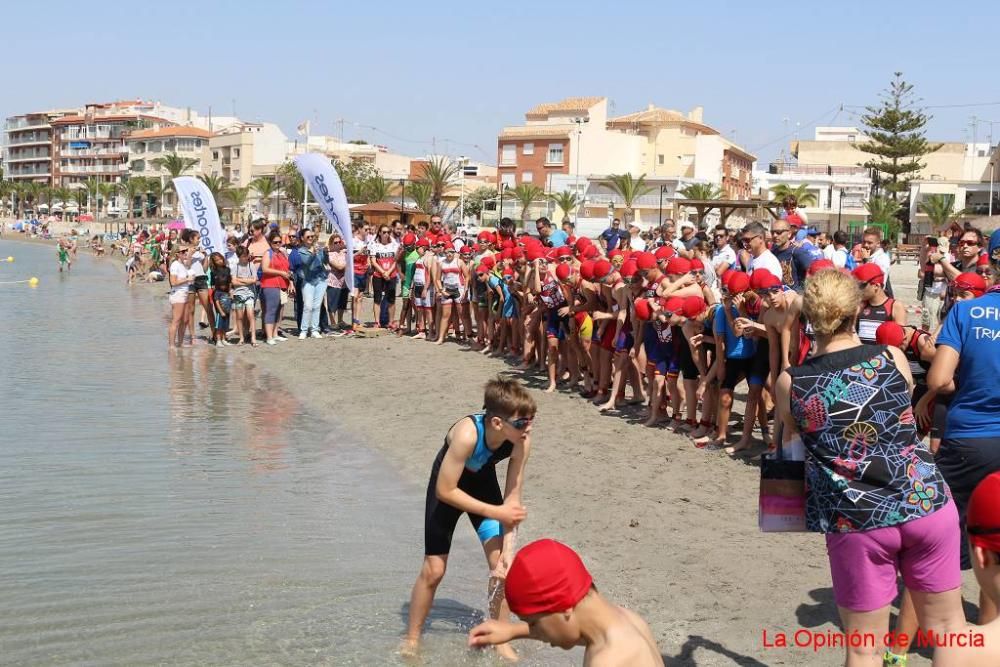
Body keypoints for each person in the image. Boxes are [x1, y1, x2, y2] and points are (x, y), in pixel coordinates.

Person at [775, 268, 966, 667]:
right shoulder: (892, 357)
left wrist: (784, 511)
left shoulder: (791, 382)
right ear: (857, 310)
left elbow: (791, 447)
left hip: (857, 518)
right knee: (949, 631)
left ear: (808, 315)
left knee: (864, 650)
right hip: (925, 500)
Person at [403, 377, 535, 661]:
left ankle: (501, 639)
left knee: (500, 566)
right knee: (434, 570)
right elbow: (445, 490)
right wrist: (496, 512)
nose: (529, 428)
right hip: (447, 491)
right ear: (498, 423)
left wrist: (508, 553)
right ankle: (412, 639)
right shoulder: (467, 435)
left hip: (482, 486)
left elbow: (513, 499)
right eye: (522, 423)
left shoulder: (521, 442)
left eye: (531, 420)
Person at [926, 254, 1000, 626]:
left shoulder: (967, 312)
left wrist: (966, 384)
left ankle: (943, 634)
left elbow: (939, 381)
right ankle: (991, 635)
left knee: (941, 540)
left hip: (970, 438)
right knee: (996, 541)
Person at [468, 539, 664, 666]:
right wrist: (511, 631)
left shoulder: (608, 661)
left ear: (565, 606)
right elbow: (569, 634)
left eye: (533, 622)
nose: (539, 633)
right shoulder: (626, 621)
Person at [854, 263, 906, 344]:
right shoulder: (860, 306)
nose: (858, 290)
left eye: (861, 285)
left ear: (876, 286)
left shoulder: (895, 306)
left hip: (883, 355)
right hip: (861, 354)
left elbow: (900, 340)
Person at [260, 231, 293, 346]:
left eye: (280, 242)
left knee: (279, 311)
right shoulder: (267, 253)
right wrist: (281, 273)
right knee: (271, 310)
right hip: (270, 285)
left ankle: (275, 334)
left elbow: (288, 269)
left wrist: (290, 282)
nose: (278, 244)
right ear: (270, 242)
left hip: (282, 285)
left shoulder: (282, 253)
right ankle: (269, 336)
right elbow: (265, 269)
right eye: (275, 242)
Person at [368, 224, 400, 329]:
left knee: (391, 299)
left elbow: (396, 261)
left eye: (388, 232)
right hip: (378, 275)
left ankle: (390, 322)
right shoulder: (374, 245)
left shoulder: (394, 245)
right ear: (380, 233)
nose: (386, 234)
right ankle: (377, 322)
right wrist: (383, 272)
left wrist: (388, 272)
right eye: (384, 232)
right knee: (377, 299)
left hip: (391, 274)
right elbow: (373, 261)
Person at [231, 246, 258, 346]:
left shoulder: (251, 265)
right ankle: (241, 338)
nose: (245, 258)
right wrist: (247, 281)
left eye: (246, 255)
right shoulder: (235, 267)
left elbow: (254, 280)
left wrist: (240, 280)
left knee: (251, 315)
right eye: (243, 256)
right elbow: (233, 282)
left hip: (249, 294)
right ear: (239, 256)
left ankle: (253, 338)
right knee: (240, 316)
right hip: (238, 294)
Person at [167, 247, 193, 348]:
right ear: (177, 254)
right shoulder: (175, 265)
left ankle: (180, 343)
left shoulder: (182, 264)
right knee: (176, 320)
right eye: (183, 252)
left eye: (186, 251)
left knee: (185, 320)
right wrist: (187, 279)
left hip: (185, 293)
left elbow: (189, 265)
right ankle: (172, 345)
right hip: (178, 294)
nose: (185, 253)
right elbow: (173, 282)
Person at [859, 227, 894, 297]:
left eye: (869, 243)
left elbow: (878, 282)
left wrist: (866, 261)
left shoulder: (882, 258)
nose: (866, 245)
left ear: (878, 244)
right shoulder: (868, 256)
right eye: (864, 242)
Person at [325, 235, 349, 332]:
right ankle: (333, 322)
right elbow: (339, 267)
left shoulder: (344, 253)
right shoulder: (329, 255)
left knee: (342, 303)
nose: (338, 244)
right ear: (331, 244)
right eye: (335, 243)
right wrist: (349, 261)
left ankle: (340, 320)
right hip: (333, 281)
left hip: (344, 282)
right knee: (332, 303)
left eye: (339, 242)